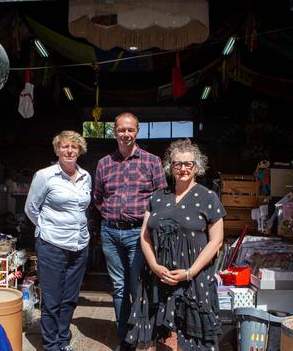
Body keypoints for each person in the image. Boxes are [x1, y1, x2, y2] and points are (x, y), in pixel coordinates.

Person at [127, 139, 225, 351]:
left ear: (196, 166)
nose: (182, 169)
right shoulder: (158, 197)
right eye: (177, 164)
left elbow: (216, 240)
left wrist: (190, 272)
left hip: (194, 278)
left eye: (188, 163)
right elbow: (145, 235)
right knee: (155, 335)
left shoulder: (208, 197)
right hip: (159, 275)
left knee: (193, 338)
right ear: (169, 167)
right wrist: (154, 266)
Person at [93, 112, 168, 350]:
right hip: (110, 233)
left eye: (130, 130)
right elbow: (97, 197)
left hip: (140, 234)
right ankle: (125, 337)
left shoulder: (152, 161)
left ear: (137, 131)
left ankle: (144, 332)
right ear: (114, 131)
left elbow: (162, 199)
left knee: (138, 285)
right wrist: (111, 214)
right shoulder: (104, 163)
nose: (126, 134)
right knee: (118, 286)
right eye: (121, 130)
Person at [24, 130, 92, 351]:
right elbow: (31, 208)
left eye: (74, 147)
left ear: (80, 150)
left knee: (70, 298)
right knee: (52, 300)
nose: (69, 150)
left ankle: (63, 340)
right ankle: (51, 344)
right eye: (65, 146)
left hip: (80, 244)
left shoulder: (86, 176)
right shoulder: (45, 175)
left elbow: (84, 207)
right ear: (57, 150)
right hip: (52, 244)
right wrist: (46, 229)